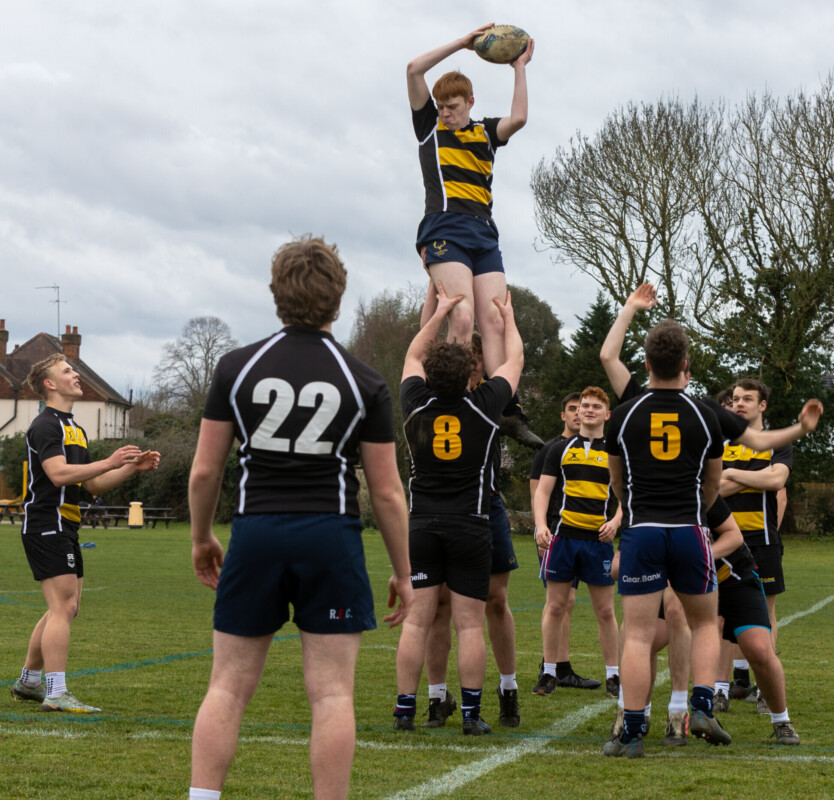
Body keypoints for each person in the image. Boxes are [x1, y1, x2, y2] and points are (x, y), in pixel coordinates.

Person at [188, 236, 413, 800]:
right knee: (333, 694)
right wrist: (405, 572)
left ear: (275, 294)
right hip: (329, 537)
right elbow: (386, 492)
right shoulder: (364, 379)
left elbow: (203, 473)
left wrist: (199, 537)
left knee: (229, 686)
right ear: (338, 298)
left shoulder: (236, 368)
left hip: (256, 532)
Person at [394, 283, 523, 735]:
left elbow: (412, 354)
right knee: (470, 625)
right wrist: (507, 320)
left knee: (418, 621)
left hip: (422, 524)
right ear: (472, 372)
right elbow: (515, 362)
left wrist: (439, 312)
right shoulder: (485, 407)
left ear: (428, 375)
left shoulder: (413, 405)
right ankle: (471, 715)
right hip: (470, 523)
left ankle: (405, 711)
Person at [407, 25, 539, 449]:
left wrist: (519, 66)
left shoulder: (484, 133)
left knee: (497, 318)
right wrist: (463, 43)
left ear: (470, 104)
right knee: (460, 318)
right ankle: (446, 399)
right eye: (442, 106)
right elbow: (412, 69)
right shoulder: (430, 128)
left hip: (483, 234)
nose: (446, 112)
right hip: (444, 229)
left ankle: (507, 410)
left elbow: (519, 117)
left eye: (453, 106)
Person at [604, 320, 729, 758]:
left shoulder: (623, 415)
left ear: (646, 363)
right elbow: (713, 485)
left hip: (642, 531)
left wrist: (637, 509)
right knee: (703, 622)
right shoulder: (705, 413)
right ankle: (699, 706)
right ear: (685, 364)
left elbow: (616, 482)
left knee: (637, 634)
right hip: (690, 530)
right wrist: (693, 510)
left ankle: (632, 732)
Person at [11, 354, 160, 713]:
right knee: (62, 607)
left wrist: (130, 468)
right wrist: (111, 460)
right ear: (49, 384)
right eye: (67, 371)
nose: (75, 375)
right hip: (47, 524)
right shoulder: (46, 425)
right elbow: (59, 474)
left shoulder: (73, 427)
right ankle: (56, 692)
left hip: (66, 525)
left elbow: (90, 484)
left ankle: (29, 682)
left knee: (65, 607)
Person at [419, 333, 521, 730]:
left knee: (495, 600)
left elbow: (508, 370)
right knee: (439, 607)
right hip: (445, 512)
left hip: (486, 507)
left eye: (480, 359)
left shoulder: (490, 397)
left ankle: (507, 688)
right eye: (470, 359)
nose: (476, 365)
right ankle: (438, 696)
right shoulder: (440, 396)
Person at [533, 387, 620, 697]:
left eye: (596, 406)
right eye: (584, 405)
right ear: (578, 411)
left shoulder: (616, 450)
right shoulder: (559, 448)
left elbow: (629, 493)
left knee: (606, 612)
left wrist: (617, 520)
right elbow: (542, 491)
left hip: (598, 541)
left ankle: (614, 676)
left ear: (607, 414)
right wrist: (541, 525)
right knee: (555, 606)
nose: (589, 409)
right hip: (563, 538)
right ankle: (549, 673)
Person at [720, 378, 791, 713]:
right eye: (735, 399)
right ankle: (718, 690)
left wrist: (733, 474)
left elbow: (777, 480)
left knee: (766, 615)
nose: (739, 404)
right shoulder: (719, 443)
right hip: (723, 542)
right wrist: (750, 474)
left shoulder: (777, 442)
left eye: (747, 399)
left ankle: (764, 690)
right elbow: (712, 489)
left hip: (762, 542)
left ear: (762, 405)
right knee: (718, 617)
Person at [706, 497, 800, 745]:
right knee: (653, 634)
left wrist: (699, 555)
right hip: (690, 579)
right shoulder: (650, 500)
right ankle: (639, 718)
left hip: (735, 576)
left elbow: (734, 537)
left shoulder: (703, 495)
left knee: (758, 648)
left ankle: (782, 721)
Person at [530, 393, 598, 690]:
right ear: (564, 415)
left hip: (583, 535)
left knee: (567, 602)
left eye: (579, 409)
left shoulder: (592, 450)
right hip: (554, 535)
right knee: (560, 601)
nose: (577, 414)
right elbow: (538, 493)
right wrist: (539, 528)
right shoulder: (550, 450)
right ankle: (556, 668)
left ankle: (559, 667)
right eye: (571, 409)